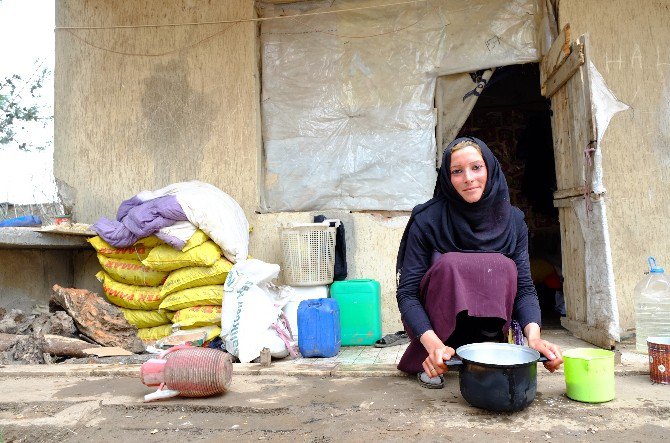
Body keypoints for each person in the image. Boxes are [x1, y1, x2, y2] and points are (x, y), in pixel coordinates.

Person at [395, 136, 563, 388]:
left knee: (502, 265)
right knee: (451, 264)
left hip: (489, 342)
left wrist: (535, 338)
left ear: (490, 169)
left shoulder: (513, 221)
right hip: (436, 336)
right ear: (447, 178)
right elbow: (408, 293)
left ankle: (488, 353)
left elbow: (525, 288)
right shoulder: (428, 219)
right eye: (457, 171)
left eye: (476, 167)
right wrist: (432, 344)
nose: (468, 178)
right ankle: (435, 359)